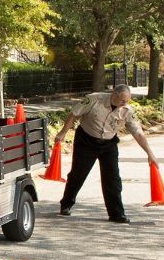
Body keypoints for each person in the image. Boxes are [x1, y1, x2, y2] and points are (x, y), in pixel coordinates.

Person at [53, 84, 157, 224]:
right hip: (86, 140)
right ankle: (66, 204)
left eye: (127, 101)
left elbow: (138, 132)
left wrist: (149, 153)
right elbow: (74, 114)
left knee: (113, 178)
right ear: (114, 95)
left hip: (109, 143)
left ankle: (116, 214)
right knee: (78, 174)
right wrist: (63, 132)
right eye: (122, 100)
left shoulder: (127, 111)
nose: (124, 104)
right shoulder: (94, 100)